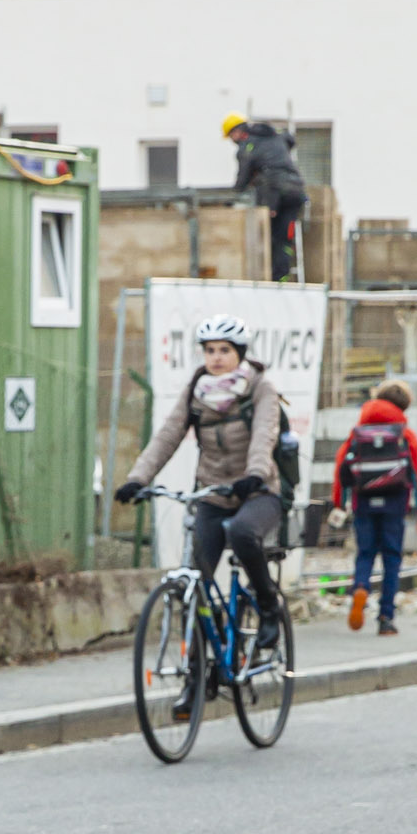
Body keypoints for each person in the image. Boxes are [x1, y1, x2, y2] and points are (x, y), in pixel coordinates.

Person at [114, 319, 284, 672]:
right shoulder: (197, 390)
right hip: (212, 494)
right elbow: (167, 436)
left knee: (240, 533)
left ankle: (269, 605)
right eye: (210, 350)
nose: (217, 357)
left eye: (225, 350)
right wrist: (137, 478)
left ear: (239, 354)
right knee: (194, 581)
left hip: (258, 492)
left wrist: (254, 474)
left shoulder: (260, 388)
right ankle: (196, 678)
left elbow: (264, 434)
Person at [331, 377, 417, 636]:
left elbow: (341, 469)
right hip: (395, 503)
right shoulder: (404, 435)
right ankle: (386, 618)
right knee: (391, 558)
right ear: (404, 406)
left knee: (365, 553)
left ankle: (361, 587)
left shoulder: (357, 433)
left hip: (363, 502)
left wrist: (338, 504)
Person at [223, 114, 307, 281]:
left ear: (237, 131)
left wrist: (228, 201)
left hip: (273, 193)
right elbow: (290, 140)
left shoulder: (247, 147)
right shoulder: (275, 135)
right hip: (296, 190)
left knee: (270, 236)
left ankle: (274, 279)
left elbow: (242, 179)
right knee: (284, 238)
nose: (233, 140)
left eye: (231, 136)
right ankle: (282, 277)